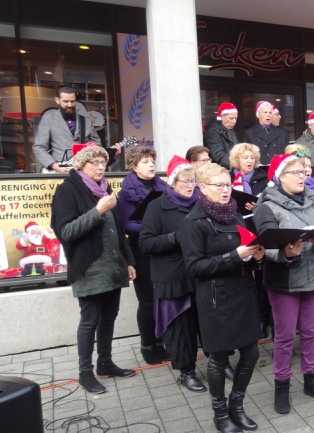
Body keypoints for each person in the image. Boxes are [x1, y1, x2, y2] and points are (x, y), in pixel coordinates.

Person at [179, 163, 265, 433]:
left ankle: (237, 406)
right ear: (202, 188)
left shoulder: (236, 216)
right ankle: (220, 413)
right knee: (217, 359)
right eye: (219, 185)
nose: (226, 191)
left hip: (243, 294)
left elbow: (245, 252)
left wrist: (255, 258)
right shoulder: (193, 222)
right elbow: (193, 268)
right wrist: (234, 256)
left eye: (228, 185)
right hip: (216, 299)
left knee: (251, 353)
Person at [253, 154, 314, 414]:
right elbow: (262, 246)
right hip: (284, 281)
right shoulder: (266, 206)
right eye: (296, 173)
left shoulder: (313, 199)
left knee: (312, 332)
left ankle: (311, 380)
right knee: (285, 336)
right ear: (280, 176)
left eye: (304, 172)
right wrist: (285, 254)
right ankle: (281, 386)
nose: (302, 177)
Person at [50, 145, 136, 394]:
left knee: (109, 316)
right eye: (94, 162)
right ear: (80, 165)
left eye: (103, 162)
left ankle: (105, 363)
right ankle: (85, 373)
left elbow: (120, 232)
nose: (100, 167)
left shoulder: (105, 189)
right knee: (89, 320)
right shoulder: (68, 190)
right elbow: (66, 231)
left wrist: (129, 261)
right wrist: (98, 210)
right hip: (89, 267)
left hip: (113, 266)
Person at [138, 156, 205, 392]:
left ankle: (219, 360)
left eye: (193, 181)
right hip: (173, 276)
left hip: (201, 272)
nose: (190, 185)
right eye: (185, 181)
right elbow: (145, 243)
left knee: (208, 322)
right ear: (173, 182)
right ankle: (186, 371)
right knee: (180, 327)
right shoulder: (157, 206)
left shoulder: (202, 202)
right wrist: (174, 238)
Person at [116, 145, 170, 365]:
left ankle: (160, 343)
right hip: (142, 252)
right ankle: (147, 345)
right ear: (134, 165)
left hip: (162, 250)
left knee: (162, 300)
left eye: (152, 161)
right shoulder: (126, 192)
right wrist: (152, 226)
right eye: (145, 162)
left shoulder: (163, 187)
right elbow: (127, 225)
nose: (151, 165)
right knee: (148, 302)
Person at [33, 85, 121, 173]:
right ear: (57, 100)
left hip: (82, 170)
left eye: (72, 101)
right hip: (58, 168)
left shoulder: (86, 121)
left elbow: (97, 148)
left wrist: (112, 154)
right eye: (66, 101)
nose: (70, 105)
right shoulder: (48, 119)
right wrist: (54, 166)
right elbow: (39, 147)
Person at [203, 102, 240, 170]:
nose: (234, 121)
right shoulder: (212, 131)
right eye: (231, 118)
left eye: (236, 118)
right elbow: (218, 154)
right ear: (222, 117)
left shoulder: (229, 128)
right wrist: (238, 164)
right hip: (219, 170)